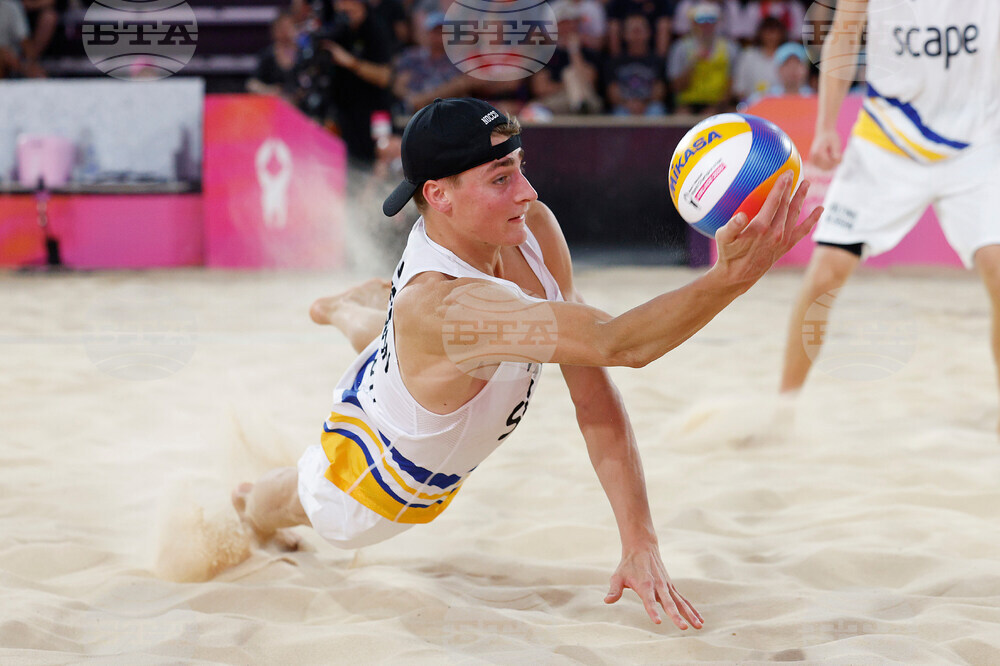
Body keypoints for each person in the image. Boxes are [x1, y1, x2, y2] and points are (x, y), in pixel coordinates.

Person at [231, 97, 821, 628]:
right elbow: (620, 344)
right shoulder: (448, 309)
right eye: (501, 179)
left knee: (408, 341)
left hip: (418, 364)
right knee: (292, 499)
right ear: (438, 194)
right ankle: (245, 506)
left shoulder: (528, 229)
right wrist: (730, 280)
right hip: (375, 478)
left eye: (520, 169)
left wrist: (638, 539)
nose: (528, 193)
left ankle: (363, 310)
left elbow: (593, 390)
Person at [778, 1, 1000, 420]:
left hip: (978, 144)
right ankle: (783, 408)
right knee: (825, 272)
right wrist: (826, 125)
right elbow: (843, 36)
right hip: (887, 141)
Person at [668, 1, 740, 114]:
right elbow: (676, 87)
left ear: (717, 22)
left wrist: (718, 107)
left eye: (711, 19)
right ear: (693, 23)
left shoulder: (730, 48)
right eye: (701, 20)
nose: (706, 25)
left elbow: (732, 84)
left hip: (717, 104)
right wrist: (693, 63)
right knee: (681, 116)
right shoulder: (680, 48)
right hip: (687, 103)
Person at [606, 14, 669, 116]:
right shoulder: (615, 62)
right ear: (624, 34)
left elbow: (660, 90)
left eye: (639, 30)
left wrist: (643, 104)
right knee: (619, 113)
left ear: (648, 33)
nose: (636, 34)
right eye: (633, 31)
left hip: (649, 106)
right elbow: (612, 92)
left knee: (656, 110)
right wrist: (628, 104)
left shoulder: (657, 61)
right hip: (624, 107)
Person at [246, 13, 304, 104]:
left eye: (289, 27)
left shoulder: (304, 54)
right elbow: (252, 84)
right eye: (282, 28)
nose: (286, 32)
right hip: (274, 106)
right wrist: (269, 90)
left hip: (301, 107)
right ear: (275, 31)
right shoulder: (268, 55)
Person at [732, 16, 787, 104]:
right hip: (751, 106)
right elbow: (739, 88)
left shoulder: (788, 57)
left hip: (781, 105)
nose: (771, 36)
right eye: (768, 32)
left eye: (774, 32)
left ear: (781, 34)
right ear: (760, 33)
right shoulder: (748, 55)